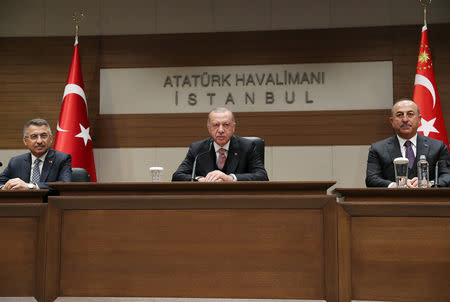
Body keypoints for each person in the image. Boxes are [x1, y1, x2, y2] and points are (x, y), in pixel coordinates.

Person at [366, 99, 450, 188]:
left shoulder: (438, 146)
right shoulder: (377, 149)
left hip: (428, 199)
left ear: (419, 119)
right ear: (392, 121)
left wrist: (430, 184)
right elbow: (371, 179)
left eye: (410, 114)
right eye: (399, 115)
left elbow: (447, 175)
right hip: (394, 200)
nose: (405, 119)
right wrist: (394, 185)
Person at [172, 107, 268, 182]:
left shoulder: (247, 147)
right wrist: (200, 180)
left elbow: (262, 176)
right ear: (209, 128)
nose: (221, 130)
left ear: (233, 127)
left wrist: (230, 178)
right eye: (216, 125)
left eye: (226, 125)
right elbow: (177, 176)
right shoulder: (198, 149)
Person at [0, 118, 72, 190]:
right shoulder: (16, 161)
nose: (39, 141)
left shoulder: (62, 159)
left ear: (51, 139)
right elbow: (1, 182)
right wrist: (4, 188)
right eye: (34, 136)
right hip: (22, 201)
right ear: (25, 141)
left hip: (49, 201)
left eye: (43, 136)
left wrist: (30, 186)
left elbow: (64, 184)